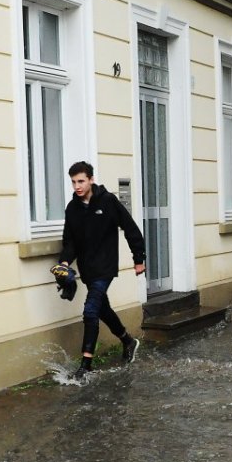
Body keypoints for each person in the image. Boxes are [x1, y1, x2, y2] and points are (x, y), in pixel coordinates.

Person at [55, 161, 146, 380]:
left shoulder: (108, 201)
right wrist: (65, 263)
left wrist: (138, 259)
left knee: (90, 311)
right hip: (87, 269)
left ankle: (85, 366)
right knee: (102, 309)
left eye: (81, 181)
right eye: (73, 182)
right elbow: (70, 242)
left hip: (105, 267)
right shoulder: (72, 208)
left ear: (91, 180)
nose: (77, 186)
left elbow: (131, 229)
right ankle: (127, 340)